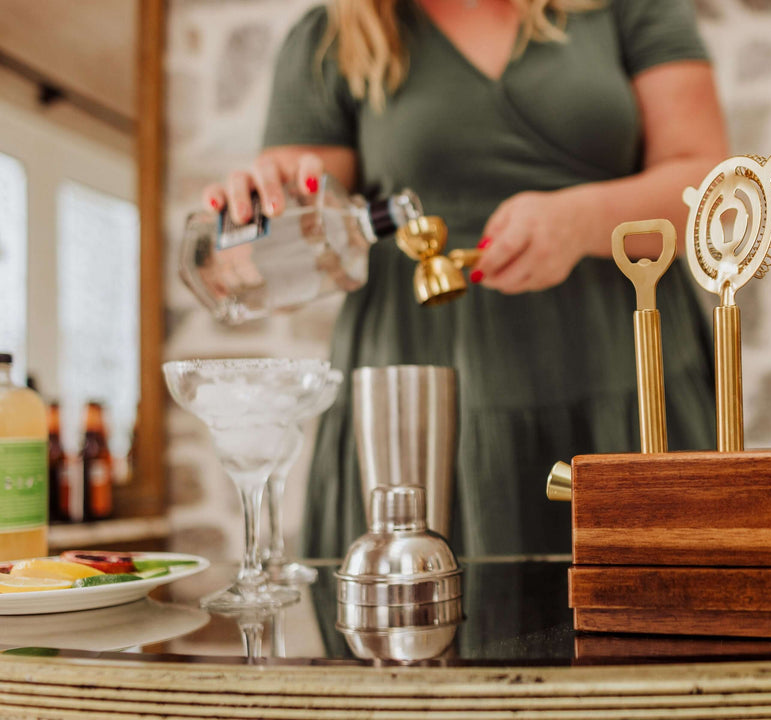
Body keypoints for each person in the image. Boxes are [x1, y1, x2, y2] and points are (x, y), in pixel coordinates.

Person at [203, 0, 729, 558]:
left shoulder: (630, 8)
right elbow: (281, 250)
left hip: (631, 372)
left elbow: (710, 192)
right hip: (415, 400)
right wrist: (251, 224)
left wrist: (584, 223)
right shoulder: (330, 37)